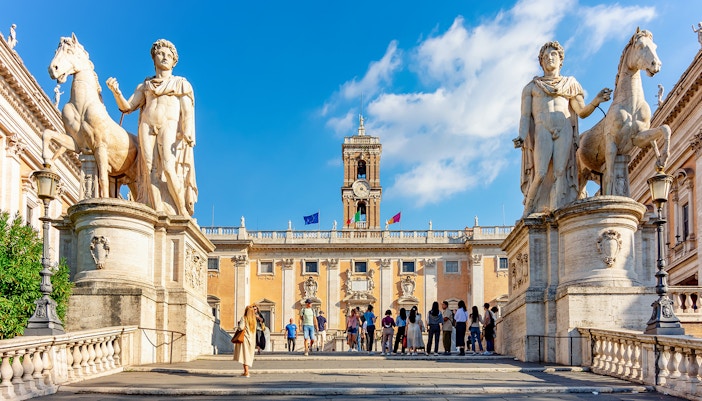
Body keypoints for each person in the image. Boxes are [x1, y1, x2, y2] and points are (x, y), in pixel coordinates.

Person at [513, 41, 611, 217]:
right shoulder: (531, 87)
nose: (549, 58)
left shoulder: (570, 84)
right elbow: (525, 116)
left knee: (560, 172)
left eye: (553, 55)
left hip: (564, 128)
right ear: (541, 62)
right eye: (545, 57)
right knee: (541, 172)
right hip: (543, 128)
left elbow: (581, 112)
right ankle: (528, 211)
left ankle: (557, 211)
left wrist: (596, 101)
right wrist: (521, 136)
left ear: (560, 61)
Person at [107, 39, 197, 216]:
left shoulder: (181, 84)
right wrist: (116, 92)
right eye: (160, 54)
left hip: (168, 125)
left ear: (174, 61)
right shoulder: (145, 85)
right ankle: (157, 211)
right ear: (154, 58)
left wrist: (187, 132)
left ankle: (181, 211)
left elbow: (187, 111)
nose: (164, 57)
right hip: (147, 126)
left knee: (169, 167)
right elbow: (127, 107)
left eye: (168, 55)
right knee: (148, 170)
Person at [233, 305, 257, 377]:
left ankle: (246, 372)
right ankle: (245, 371)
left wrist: (239, 324)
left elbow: (241, 327)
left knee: (244, 355)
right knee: (248, 355)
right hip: (252, 340)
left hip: (245, 339)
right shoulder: (254, 320)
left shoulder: (244, 318)